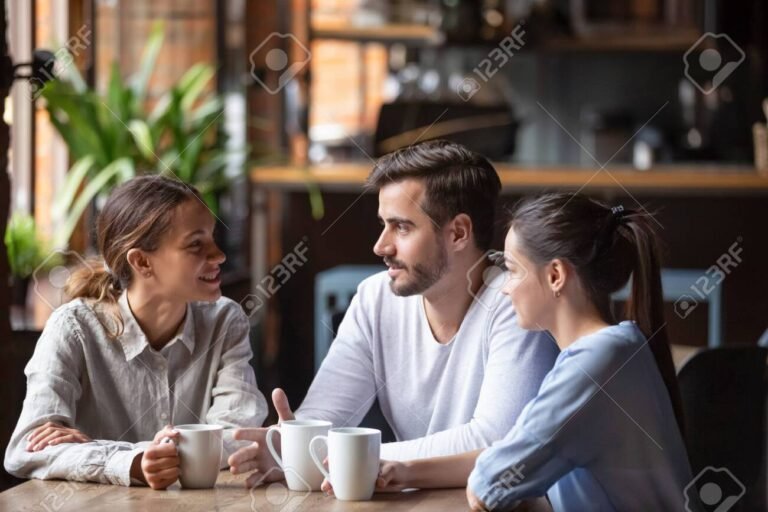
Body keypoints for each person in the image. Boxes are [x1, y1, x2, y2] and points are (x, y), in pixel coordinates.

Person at [229, 140, 559, 488]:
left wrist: (356, 456)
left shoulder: (515, 303)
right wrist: (293, 445)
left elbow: (496, 442)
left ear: (458, 233)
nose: (381, 246)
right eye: (383, 224)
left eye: (402, 227)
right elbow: (324, 418)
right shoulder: (375, 298)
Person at [343, 193, 693, 511]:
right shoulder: (618, 348)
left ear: (555, 276)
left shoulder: (591, 367)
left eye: (511, 270)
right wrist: (406, 471)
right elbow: (511, 455)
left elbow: (488, 486)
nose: (505, 289)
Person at [4, 176, 268, 489]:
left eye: (212, 238)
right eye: (196, 244)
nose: (218, 255)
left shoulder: (225, 321)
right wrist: (133, 461)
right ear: (142, 261)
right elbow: (25, 450)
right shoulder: (72, 329)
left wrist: (108, 453)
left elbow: (238, 433)